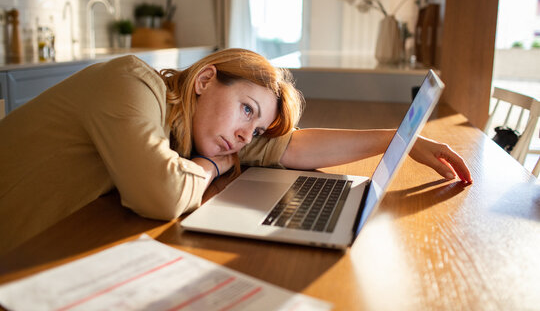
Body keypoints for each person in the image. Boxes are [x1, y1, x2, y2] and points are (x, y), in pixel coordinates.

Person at [0, 48, 472, 255]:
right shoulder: (129, 82)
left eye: (258, 125)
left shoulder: (192, 125)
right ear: (205, 81)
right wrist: (207, 166)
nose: (247, 136)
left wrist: (398, 140)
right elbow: (162, 195)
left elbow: (290, 146)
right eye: (246, 109)